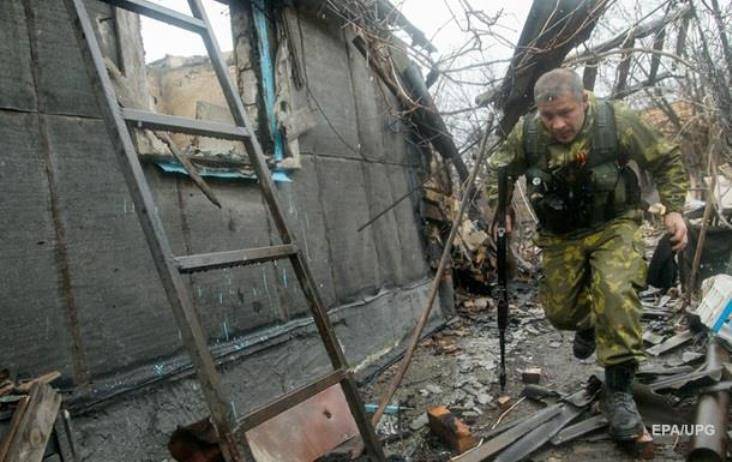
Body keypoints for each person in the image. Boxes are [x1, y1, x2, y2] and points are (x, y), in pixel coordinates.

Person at [485, 68, 689, 441]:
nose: (558, 124)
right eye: (548, 116)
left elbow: (666, 159)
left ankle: (618, 391)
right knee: (561, 312)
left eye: (566, 112)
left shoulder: (616, 120)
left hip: (614, 224)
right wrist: (502, 208)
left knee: (614, 291)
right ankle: (592, 325)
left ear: (583, 101)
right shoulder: (528, 133)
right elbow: (499, 168)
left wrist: (674, 208)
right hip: (561, 235)